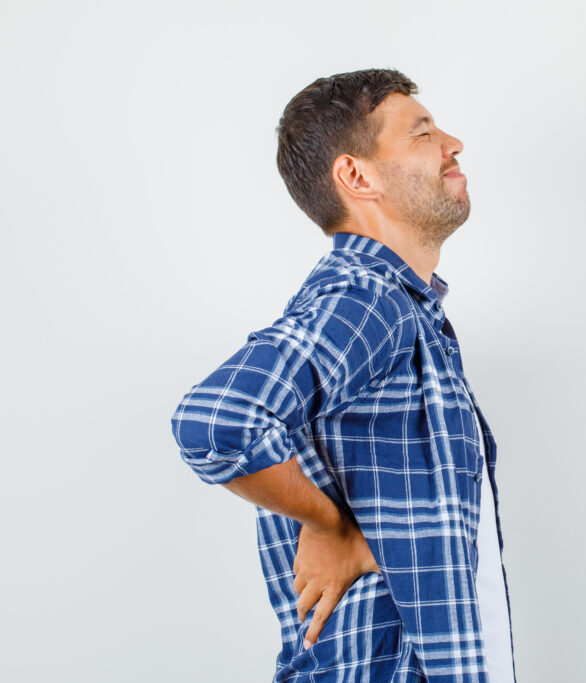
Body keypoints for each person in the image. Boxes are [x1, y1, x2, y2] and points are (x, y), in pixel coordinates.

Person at [169, 68, 515, 682]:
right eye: (422, 132)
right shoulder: (366, 299)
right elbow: (216, 419)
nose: (452, 142)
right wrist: (328, 523)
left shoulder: (404, 309)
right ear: (357, 176)